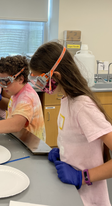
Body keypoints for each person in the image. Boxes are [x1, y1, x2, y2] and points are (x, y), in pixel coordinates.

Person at [29, 41, 112, 206]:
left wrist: (82, 177)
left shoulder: (82, 106)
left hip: (88, 198)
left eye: (41, 79)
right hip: (71, 192)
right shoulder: (67, 99)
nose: (39, 85)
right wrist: (64, 151)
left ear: (57, 76)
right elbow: (76, 138)